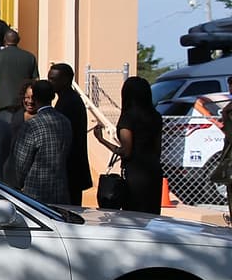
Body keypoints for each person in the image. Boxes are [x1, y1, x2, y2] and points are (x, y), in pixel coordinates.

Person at [94, 76, 162, 214]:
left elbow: (126, 151)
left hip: (134, 174)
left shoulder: (128, 117)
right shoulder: (155, 116)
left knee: (133, 215)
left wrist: (102, 140)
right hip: (153, 172)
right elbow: (157, 148)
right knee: (151, 214)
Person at [13, 79, 71, 204]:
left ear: (34, 98)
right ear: (53, 96)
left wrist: (19, 183)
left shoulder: (31, 125)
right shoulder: (65, 121)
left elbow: (21, 163)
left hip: (35, 193)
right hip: (60, 191)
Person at [47, 63, 92, 206]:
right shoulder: (66, 99)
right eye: (49, 78)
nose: (50, 83)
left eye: (53, 79)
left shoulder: (69, 102)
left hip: (70, 168)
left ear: (66, 80)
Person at [0, 29, 38, 123]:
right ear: (18, 40)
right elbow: (36, 81)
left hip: (2, 103)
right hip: (23, 104)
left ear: (4, 40)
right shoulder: (30, 57)